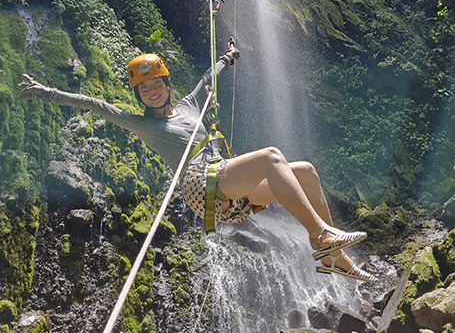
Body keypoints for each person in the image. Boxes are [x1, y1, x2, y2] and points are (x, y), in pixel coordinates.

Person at [19, 45, 375, 283]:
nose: (152, 91)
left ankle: (333, 259)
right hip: (201, 185)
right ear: (138, 96)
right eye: (144, 89)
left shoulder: (191, 104)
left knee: (307, 171)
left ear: (167, 84)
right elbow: (95, 104)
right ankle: (321, 236)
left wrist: (228, 56)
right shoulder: (144, 125)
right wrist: (47, 92)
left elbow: (208, 80)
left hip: (230, 184)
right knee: (270, 157)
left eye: (157, 84)